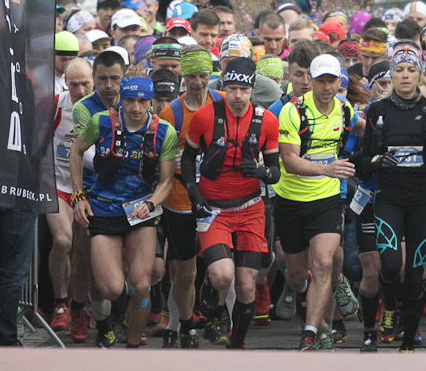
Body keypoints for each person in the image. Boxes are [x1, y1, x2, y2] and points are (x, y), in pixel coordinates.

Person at [179, 58, 282, 349]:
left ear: (252, 90)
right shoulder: (204, 116)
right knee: (223, 276)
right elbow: (187, 158)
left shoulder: (266, 121)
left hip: (250, 208)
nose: (238, 96)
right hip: (213, 210)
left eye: (244, 90)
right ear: (224, 86)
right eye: (232, 89)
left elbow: (275, 172)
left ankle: (237, 343)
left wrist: (262, 172)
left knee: (247, 284)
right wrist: (193, 193)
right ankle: (213, 304)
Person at [356, 47, 426, 352]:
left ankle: (409, 340)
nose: (405, 76)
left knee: (414, 277)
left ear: (419, 75)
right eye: (399, 70)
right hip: (389, 199)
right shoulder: (378, 111)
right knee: (388, 266)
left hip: (421, 201)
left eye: (411, 70)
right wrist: (376, 161)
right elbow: (363, 161)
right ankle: (388, 305)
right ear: (392, 75)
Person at [71, 77, 178, 349]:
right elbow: (76, 151)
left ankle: (132, 348)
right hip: (103, 208)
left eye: (142, 101)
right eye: (130, 100)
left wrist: (151, 204)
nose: (136, 108)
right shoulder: (101, 122)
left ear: (150, 101)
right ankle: (107, 322)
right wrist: (78, 196)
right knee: (111, 288)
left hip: (140, 211)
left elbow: (166, 182)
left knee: (141, 284)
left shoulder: (164, 131)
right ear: (122, 99)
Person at [275, 54, 358, 350]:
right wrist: (327, 169)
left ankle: (310, 333)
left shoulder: (345, 109)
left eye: (331, 81)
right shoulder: (293, 111)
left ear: (339, 81)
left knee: (323, 262)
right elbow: (290, 161)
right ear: (310, 80)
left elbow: (364, 127)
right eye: (320, 81)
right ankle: (300, 296)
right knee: (298, 276)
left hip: (326, 199)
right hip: (291, 199)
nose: (326, 87)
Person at [157, 46, 219, 347]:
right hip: (180, 201)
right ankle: (183, 325)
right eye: (192, 76)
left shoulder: (222, 103)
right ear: (183, 76)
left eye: (203, 75)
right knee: (185, 270)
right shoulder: (172, 113)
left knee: (223, 266)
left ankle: (222, 323)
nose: (197, 82)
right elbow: (161, 161)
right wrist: (178, 160)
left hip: (216, 199)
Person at [47, 57, 92, 335]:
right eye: (74, 85)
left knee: (82, 252)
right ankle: (60, 302)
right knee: (63, 241)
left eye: (85, 83)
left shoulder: (104, 108)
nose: (80, 91)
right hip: (58, 185)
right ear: (65, 83)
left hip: (90, 189)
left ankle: (78, 307)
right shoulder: (54, 105)